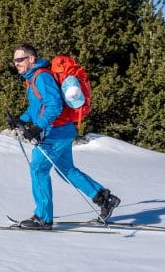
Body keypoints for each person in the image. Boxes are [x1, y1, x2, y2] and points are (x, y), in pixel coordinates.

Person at [8, 43, 120, 230]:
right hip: (62, 130)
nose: (16, 63)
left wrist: (37, 128)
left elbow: (54, 106)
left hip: (56, 132)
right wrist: (22, 118)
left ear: (31, 59)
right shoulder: (32, 79)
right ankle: (104, 199)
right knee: (67, 170)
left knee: (38, 169)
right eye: (14, 60)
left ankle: (43, 219)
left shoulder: (41, 76)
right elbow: (37, 107)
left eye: (20, 59)